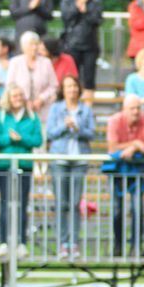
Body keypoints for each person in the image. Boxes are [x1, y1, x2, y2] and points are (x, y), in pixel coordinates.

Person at [0, 86, 43, 260]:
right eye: (14, 95)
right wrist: (8, 139)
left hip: (24, 165)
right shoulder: (2, 116)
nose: (17, 98)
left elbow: (37, 140)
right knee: (5, 204)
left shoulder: (32, 117)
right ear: (9, 98)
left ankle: (21, 242)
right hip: (5, 165)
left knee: (21, 204)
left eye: (20, 95)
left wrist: (21, 139)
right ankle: (4, 242)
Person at [47, 75, 95, 261]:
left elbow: (91, 134)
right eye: (68, 87)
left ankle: (74, 242)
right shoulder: (56, 109)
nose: (72, 90)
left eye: (74, 86)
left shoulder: (86, 110)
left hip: (79, 160)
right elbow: (50, 132)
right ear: (63, 89)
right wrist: (64, 126)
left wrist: (77, 128)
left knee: (75, 203)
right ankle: (62, 243)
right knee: (62, 203)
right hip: (60, 159)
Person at [105, 94, 144, 256]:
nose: (136, 111)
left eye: (138, 108)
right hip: (117, 170)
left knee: (138, 208)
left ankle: (136, 246)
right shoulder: (114, 120)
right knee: (116, 209)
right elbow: (113, 148)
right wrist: (135, 144)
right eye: (132, 108)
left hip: (137, 170)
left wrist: (134, 148)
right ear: (124, 109)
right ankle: (118, 245)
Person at [60, 0, 104, 101]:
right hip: (72, 44)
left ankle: (88, 108)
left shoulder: (95, 1)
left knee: (89, 79)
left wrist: (86, 10)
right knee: (72, 77)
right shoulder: (67, 0)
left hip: (90, 45)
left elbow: (98, 20)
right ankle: (71, 104)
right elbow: (66, 18)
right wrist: (78, 6)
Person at [6, 31, 58, 125]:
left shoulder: (46, 62)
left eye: (36, 44)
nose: (34, 47)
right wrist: (24, 100)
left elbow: (53, 86)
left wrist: (41, 99)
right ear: (23, 46)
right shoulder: (15, 62)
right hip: (20, 107)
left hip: (43, 108)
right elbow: (10, 85)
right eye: (31, 44)